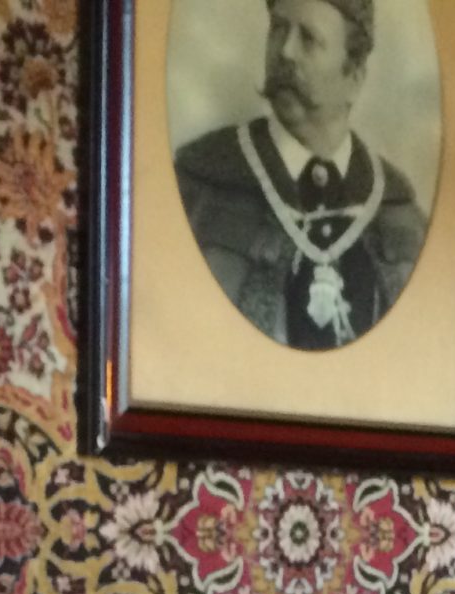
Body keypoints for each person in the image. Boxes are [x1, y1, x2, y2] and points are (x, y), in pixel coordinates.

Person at [172, 0, 429, 349]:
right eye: (278, 29)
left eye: (308, 38)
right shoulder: (197, 186)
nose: (285, 52)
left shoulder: (400, 214)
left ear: (354, 78)